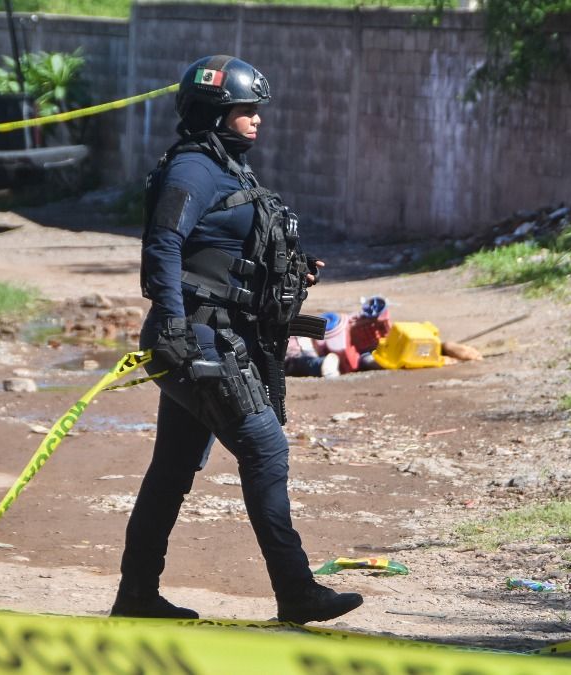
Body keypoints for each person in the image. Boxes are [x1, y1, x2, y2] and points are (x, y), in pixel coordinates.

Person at [111, 55, 363, 624]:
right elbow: (164, 248)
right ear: (214, 113)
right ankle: (297, 590)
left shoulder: (228, 167)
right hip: (198, 342)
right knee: (265, 448)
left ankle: (135, 596)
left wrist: (291, 274)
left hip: (216, 337)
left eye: (256, 110)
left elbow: (226, 253)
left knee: (172, 470)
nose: (257, 120)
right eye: (246, 110)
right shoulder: (192, 171)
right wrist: (176, 329)